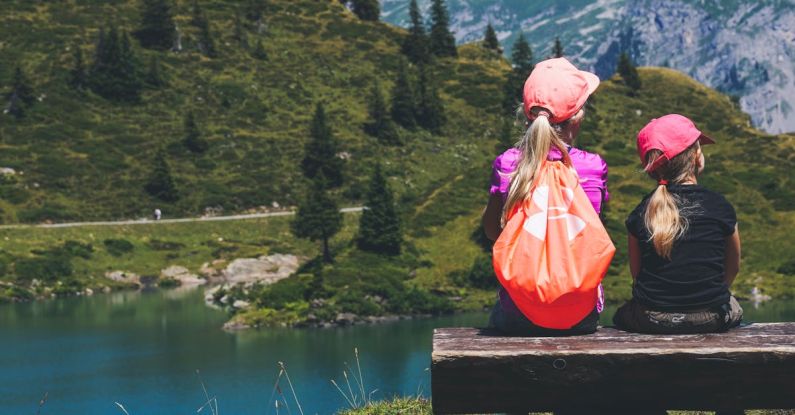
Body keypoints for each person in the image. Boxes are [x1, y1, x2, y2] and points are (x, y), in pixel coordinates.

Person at [482, 57, 610, 335]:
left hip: (517, 314)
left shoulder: (507, 164)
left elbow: (493, 232)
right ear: (577, 117)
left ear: (527, 113)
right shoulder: (593, 167)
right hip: (581, 316)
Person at [613, 114, 743, 334]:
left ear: (651, 169)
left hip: (652, 319)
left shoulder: (641, 212)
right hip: (710, 317)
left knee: (621, 315)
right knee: (735, 307)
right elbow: (733, 268)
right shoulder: (720, 206)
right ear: (697, 156)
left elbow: (637, 275)